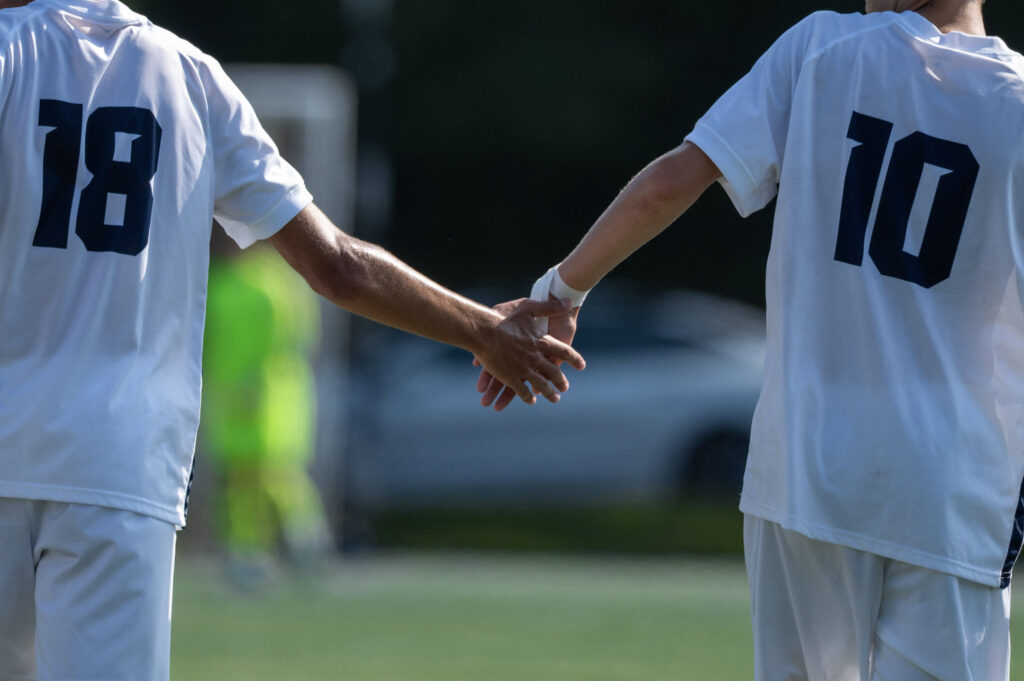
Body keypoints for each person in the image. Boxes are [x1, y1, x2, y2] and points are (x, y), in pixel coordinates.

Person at [0, 1, 585, 680]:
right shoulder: (191, 78)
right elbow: (338, 266)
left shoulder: (10, 54)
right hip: (118, 462)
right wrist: (482, 329)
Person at [480, 0, 1022, 678]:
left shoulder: (819, 49)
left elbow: (670, 184)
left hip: (804, 465)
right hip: (949, 487)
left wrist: (561, 290)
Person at [203, 240, 331, 584]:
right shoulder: (220, 280)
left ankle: (304, 540)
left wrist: (257, 384)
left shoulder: (276, 280)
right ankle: (246, 552)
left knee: (275, 470)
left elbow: (290, 339)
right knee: (237, 475)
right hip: (227, 393)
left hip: (270, 394)